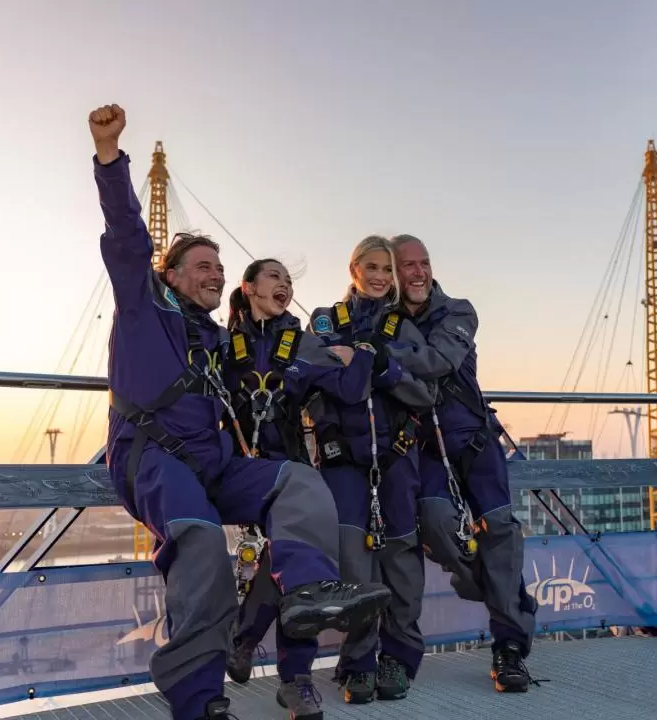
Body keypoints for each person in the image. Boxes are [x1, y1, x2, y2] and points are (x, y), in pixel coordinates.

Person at [88, 103, 391, 720]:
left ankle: (306, 590)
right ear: (168, 275)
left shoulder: (218, 339)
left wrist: (339, 353)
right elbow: (126, 233)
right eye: (202, 265)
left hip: (215, 461)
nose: (214, 273)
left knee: (299, 483)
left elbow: (282, 369)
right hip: (155, 459)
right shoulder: (145, 306)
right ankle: (200, 701)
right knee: (201, 549)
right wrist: (109, 156)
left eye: (219, 268)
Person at [219, 257, 381, 719]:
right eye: (274, 277)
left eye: (289, 281)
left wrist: (363, 351)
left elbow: (350, 391)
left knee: (294, 560)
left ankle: (292, 675)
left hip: (286, 469)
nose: (285, 285)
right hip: (234, 468)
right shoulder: (220, 342)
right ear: (248, 287)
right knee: (293, 560)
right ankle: (253, 646)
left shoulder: (304, 344)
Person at [388, 233, 539, 693]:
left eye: (424, 263)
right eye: (407, 266)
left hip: (473, 441)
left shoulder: (458, 310)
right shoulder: (382, 317)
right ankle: (499, 590)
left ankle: (510, 647)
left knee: (500, 533)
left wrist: (377, 354)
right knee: (435, 522)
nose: (418, 272)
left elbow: (438, 360)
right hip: (426, 448)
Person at [305, 235, 436, 704]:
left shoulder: (404, 327)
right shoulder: (325, 321)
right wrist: (329, 432)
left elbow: (427, 394)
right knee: (353, 562)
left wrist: (385, 370)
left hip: (397, 457)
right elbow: (308, 381)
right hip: (343, 460)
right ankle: (358, 662)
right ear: (354, 268)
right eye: (373, 267)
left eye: (388, 269)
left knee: (400, 561)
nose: (381, 277)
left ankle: (398, 658)